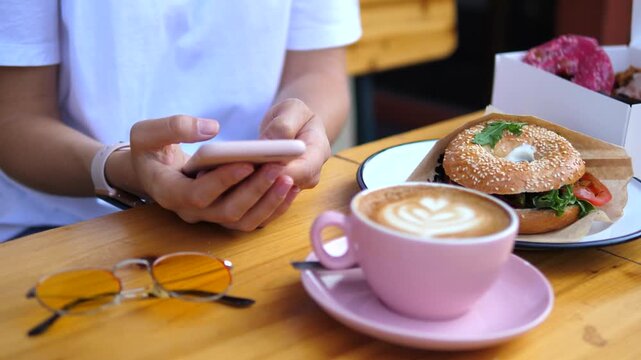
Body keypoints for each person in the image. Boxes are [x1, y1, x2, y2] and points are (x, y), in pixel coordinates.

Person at [0, 1, 362, 241]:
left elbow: (319, 73)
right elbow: (15, 118)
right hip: (67, 227)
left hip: (268, 213)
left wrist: (301, 133)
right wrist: (124, 168)